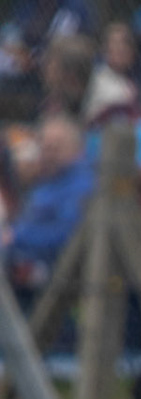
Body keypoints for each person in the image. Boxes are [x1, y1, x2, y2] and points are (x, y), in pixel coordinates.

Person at [5, 113, 91, 304]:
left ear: (77, 149)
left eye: (56, 147)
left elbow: (69, 233)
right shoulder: (47, 182)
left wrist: (16, 237)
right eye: (45, 147)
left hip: (59, 274)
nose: (49, 154)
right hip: (24, 266)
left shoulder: (82, 185)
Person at [40, 32, 134, 129]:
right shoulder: (59, 99)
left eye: (51, 66)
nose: (45, 72)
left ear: (70, 75)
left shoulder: (115, 99)